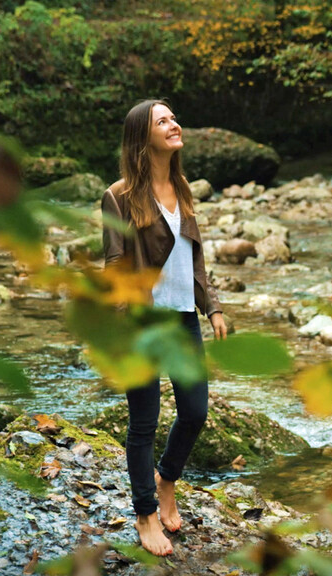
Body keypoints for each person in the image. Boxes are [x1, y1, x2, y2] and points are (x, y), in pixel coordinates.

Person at [101, 99, 227, 556]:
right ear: (143, 137)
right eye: (163, 121)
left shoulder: (181, 186)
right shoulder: (118, 196)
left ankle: (166, 480)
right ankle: (145, 514)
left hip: (183, 316)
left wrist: (212, 307)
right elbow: (115, 266)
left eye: (174, 118)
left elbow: (194, 254)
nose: (175, 124)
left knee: (195, 412)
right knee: (143, 424)